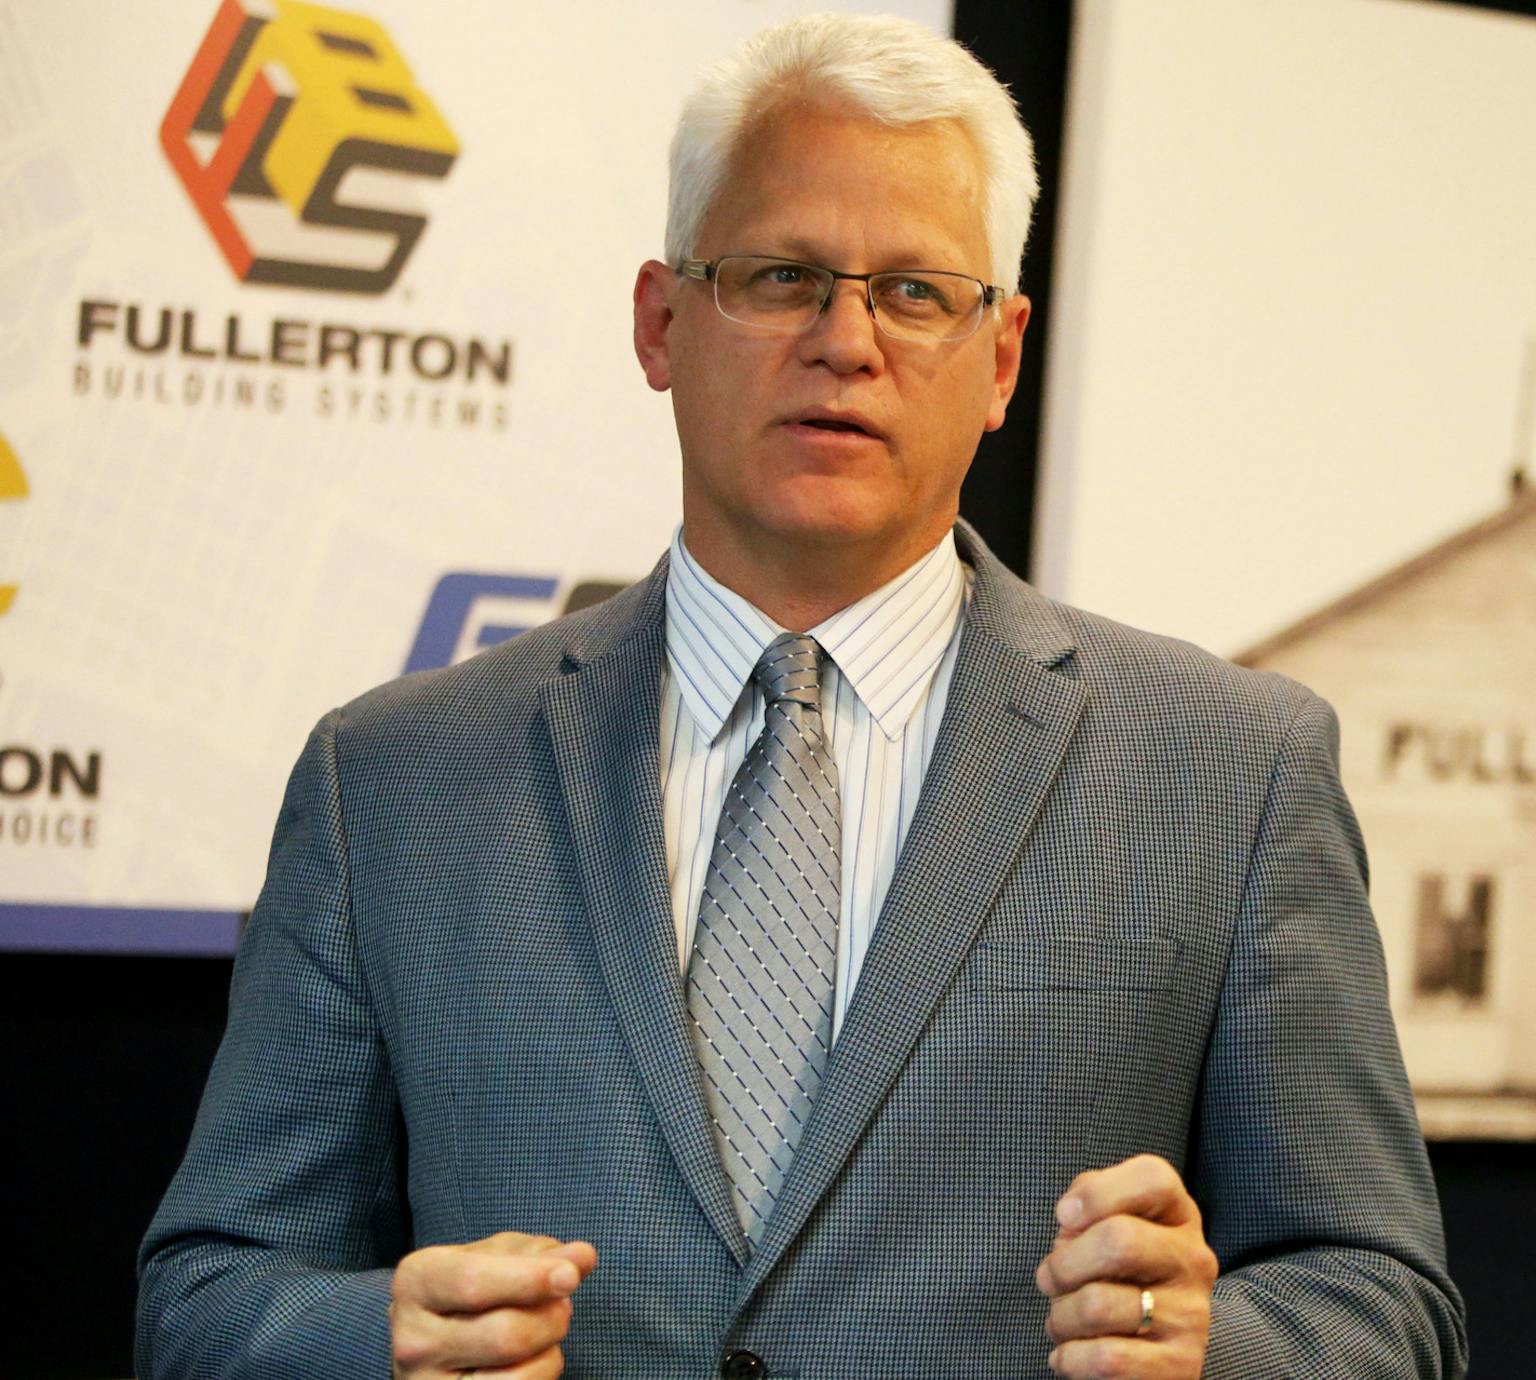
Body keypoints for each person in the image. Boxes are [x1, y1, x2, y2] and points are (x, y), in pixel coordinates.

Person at [137, 13, 1466, 1378]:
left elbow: (1382, 1297)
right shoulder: (394, 782)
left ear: (1000, 358)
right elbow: (207, 1296)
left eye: (915, 292)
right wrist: (384, 1344)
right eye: (781, 276)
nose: (846, 340)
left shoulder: (1230, 772)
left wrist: (1211, 1351)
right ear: (661, 322)